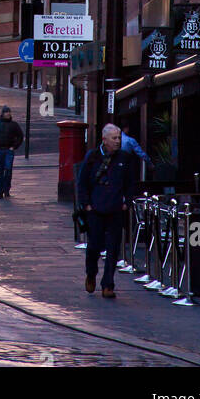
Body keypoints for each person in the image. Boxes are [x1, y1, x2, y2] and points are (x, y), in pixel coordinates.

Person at [77, 124, 138, 299]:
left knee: (113, 248)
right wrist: (86, 204)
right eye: (114, 138)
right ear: (104, 140)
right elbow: (82, 183)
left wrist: (127, 201)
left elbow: (130, 183)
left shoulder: (124, 158)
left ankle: (108, 285)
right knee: (94, 247)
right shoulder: (92, 157)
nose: (118, 141)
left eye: (119, 138)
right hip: (95, 210)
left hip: (115, 210)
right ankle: (91, 273)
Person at [0, 105, 24, 199]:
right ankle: (0, 191)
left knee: (8, 170)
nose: (8, 113)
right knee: (0, 171)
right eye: (6, 112)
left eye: (9, 112)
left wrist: (14, 147)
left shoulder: (14, 125)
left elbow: (20, 136)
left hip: (8, 150)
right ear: (2, 113)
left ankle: (6, 190)